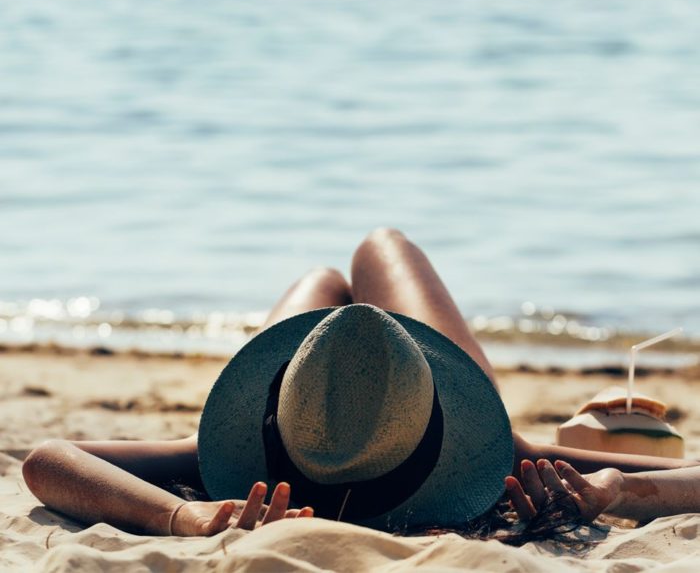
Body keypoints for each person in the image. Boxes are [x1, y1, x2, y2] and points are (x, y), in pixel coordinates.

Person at [22, 228, 699, 539]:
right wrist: (617, 489)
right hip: (398, 407)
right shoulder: (503, 461)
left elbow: (47, 460)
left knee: (323, 285)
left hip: (296, 407)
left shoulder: (226, 469)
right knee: (382, 248)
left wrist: (185, 514)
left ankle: (333, 347)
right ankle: (356, 353)